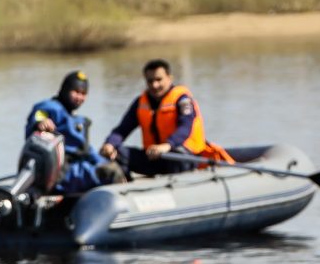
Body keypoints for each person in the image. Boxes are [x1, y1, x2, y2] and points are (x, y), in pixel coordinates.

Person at [99, 59, 234, 179]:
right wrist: (110, 144)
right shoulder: (140, 103)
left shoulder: (182, 100)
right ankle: (124, 191)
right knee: (119, 152)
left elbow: (185, 127)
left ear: (169, 78)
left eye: (159, 80)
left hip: (183, 156)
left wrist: (167, 146)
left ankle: (179, 190)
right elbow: (122, 129)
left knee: (178, 153)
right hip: (155, 157)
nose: (154, 85)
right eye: (150, 81)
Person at [25, 69, 125, 194]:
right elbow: (39, 117)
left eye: (83, 93)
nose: (79, 97)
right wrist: (40, 123)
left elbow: (86, 150)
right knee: (109, 173)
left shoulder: (74, 118)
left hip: (77, 167)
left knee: (118, 164)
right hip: (61, 173)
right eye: (76, 92)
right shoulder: (49, 107)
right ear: (65, 90)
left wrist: (103, 161)